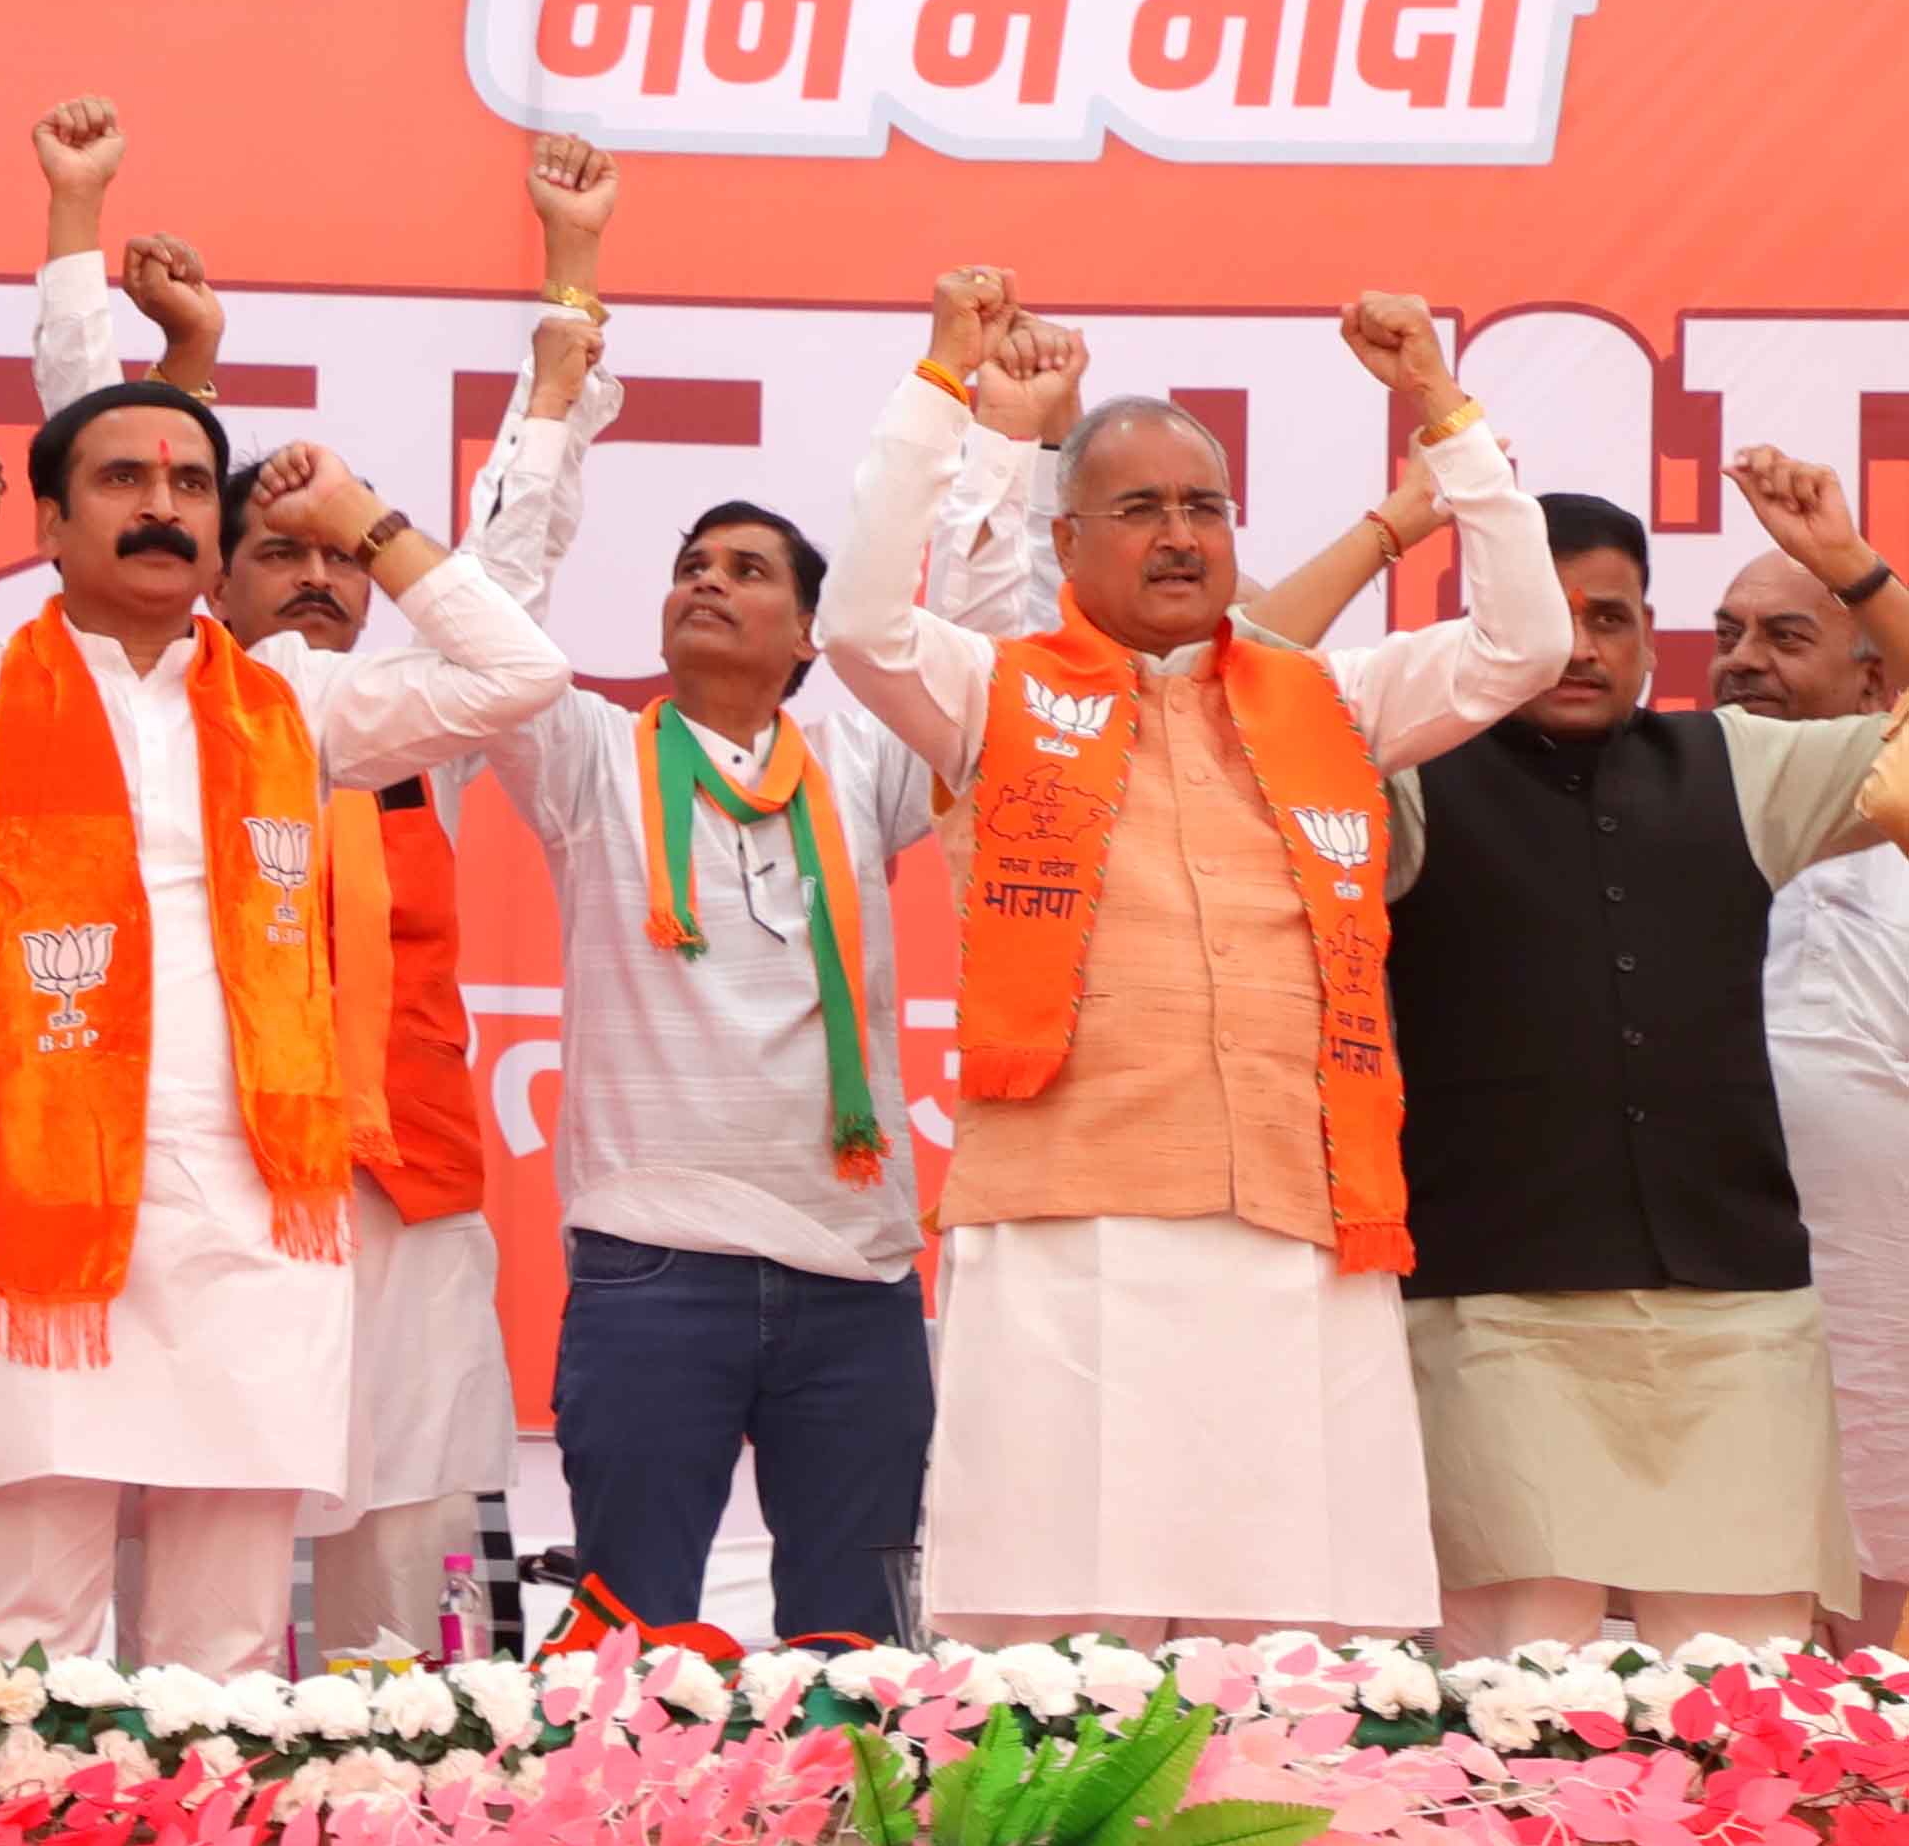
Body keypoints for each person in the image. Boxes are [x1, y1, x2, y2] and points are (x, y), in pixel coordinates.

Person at [0, 382, 574, 1679]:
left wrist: (362, 521)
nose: (159, 508)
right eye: (121, 482)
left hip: (246, 1226)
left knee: (229, 1655)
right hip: (33, 1231)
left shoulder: (290, 702)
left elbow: (515, 671)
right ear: (47, 521)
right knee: (22, 1649)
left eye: (190, 486)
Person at [822, 273, 1564, 1647]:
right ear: (1066, 539)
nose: (1178, 536)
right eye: (1140, 508)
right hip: (1068, 1218)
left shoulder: (1327, 700)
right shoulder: (992, 692)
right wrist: (939, 386)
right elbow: (856, 620)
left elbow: (1524, 642)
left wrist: (1439, 409)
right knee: (1064, 1635)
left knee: (1288, 1635)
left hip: (1293, 1214)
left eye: (1202, 507)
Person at [443, 142, 1058, 1653]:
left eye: (742, 570)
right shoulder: (587, 758)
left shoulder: (856, 763)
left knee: (853, 1650)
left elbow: (979, 675)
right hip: (652, 1269)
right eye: (683, 567)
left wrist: (1006, 447)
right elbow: (489, 605)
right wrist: (561, 331)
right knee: (625, 1651)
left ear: (805, 637)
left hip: (852, 1279)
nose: (700, 585)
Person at [30, 101, 557, 1663]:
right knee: (190, 1576)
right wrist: (91, 254)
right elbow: (107, 468)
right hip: (205, 1183)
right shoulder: (148, 714)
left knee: (402, 1604)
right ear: (210, 582)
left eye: (336, 565)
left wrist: (553, 353)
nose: (317, 583)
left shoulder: (402, 723)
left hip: (395, 1198)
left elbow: (508, 583)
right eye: (280, 556)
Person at [1375, 462, 1907, 1654]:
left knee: (1754, 1716)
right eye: (1545, 615)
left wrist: (1852, 570)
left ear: (1647, 639)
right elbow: (1235, 685)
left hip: (1739, 1321)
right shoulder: (1402, 775)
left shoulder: (1740, 766)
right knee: (1515, 1713)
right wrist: (1387, 530)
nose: (1578, 647)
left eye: (1608, 618)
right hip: (1496, 1313)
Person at [1733, 531, 1909, 1645]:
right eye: (1725, 636)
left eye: (1785, 637)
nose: (1742, 660)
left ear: (1876, 680)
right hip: (1717, 1352)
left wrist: (1852, 567)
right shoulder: (1670, 821)